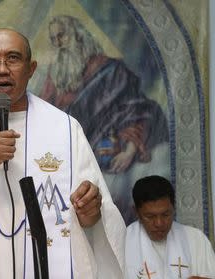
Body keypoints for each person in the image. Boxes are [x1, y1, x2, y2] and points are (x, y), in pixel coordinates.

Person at [0, 28, 125, 278]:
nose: (2, 68)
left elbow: (96, 213)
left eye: (13, 58)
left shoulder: (65, 129)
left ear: (31, 69)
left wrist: (91, 212)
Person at [39, 15, 169, 224]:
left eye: (61, 36)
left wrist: (129, 150)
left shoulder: (110, 71)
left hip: (110, 160)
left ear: (76, 35)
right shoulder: (57, 75)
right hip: (70, 163)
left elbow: (136, 110)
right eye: (53, 39)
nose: (58, 44)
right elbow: (43, 117)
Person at [125, 175, 215, 278]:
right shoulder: (122, 242)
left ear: (173, 208)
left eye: (166, 215)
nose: (159, 223)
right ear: (136, 212)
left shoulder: (196, 239)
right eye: (150, 216)